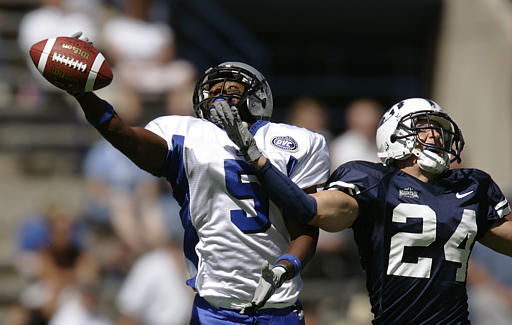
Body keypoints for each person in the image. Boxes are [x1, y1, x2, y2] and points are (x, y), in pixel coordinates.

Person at [65, 54, 329, 323]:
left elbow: (305, 224)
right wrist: (86, 96)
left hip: (279, 307)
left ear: (256, 98)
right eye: (214, 91)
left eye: (232, 90)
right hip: (215, 306)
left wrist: (285, 268)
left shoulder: (295, 142)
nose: (222, 97)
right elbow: (127, 138)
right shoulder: (186, 134)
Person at [211, 97, 512, 324]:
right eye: (424, 128)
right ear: (394, 135)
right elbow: (308, 208)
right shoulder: (372, 181)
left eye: (439, 130)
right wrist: (256, 158)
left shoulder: (471, 185)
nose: (436, 136)